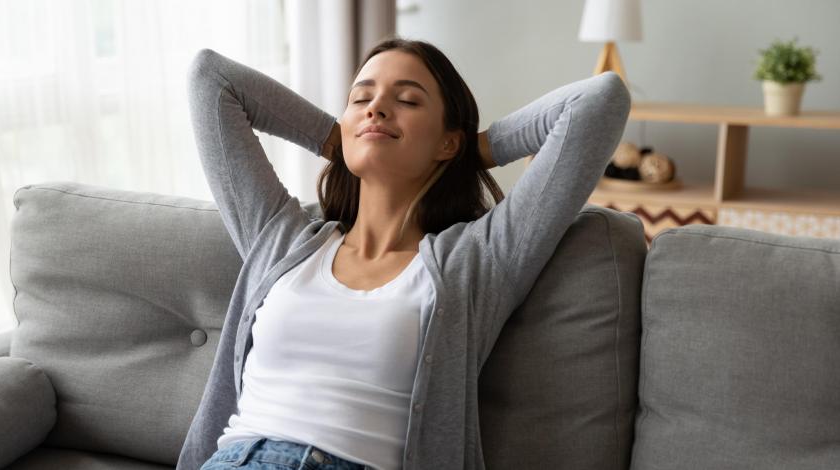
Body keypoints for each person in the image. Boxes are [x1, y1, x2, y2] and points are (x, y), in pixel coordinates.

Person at [177, 36, 631, 470]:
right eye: (361, 98)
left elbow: (600, 100)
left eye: (408, 100)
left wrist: (473, 151)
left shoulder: (477, 261)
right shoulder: (280, 238)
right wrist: (342, 139)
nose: (376, 107)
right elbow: (210, 79)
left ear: (447, 140)